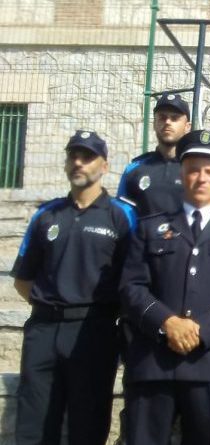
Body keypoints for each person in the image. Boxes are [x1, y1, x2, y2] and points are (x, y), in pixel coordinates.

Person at [119, 129, 210, 445]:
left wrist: (200, 330)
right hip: (154, 363)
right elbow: (133, 286)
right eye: (193, 169)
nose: (201, 178)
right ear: (182, 174)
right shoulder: (150, 228)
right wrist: (167, 324)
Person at [11, 130, 136, 444]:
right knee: (34, 426)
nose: (79, 163)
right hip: (43, 331)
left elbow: (133, 279)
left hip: (93, 331)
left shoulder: (121, 216)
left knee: (87, 425)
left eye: (88, 157)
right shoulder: (46, 215)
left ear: (104, 166)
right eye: (73, 156)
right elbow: (23, 279)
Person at [118, 92, 210, 216]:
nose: (168, 122)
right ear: (154, 124)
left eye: (175, 118)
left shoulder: (201, 170)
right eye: (162, 117)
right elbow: (122, 216)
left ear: (187, 127)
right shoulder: (134, 170)